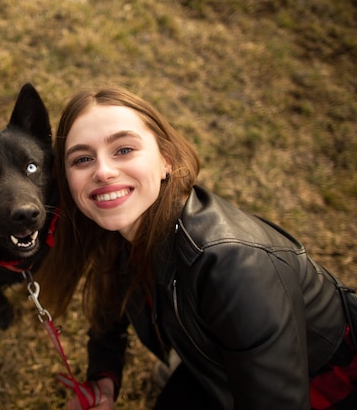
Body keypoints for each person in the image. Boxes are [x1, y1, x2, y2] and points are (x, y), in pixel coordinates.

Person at [39, 86, 357, 410]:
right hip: (213, 365)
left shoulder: (233, 266)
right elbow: (111, 314)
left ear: (166, 160)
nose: (103, 171)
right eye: (82, 159)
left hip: (325, 385)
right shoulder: (116, 232)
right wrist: (103, 380)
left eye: (123, 149)